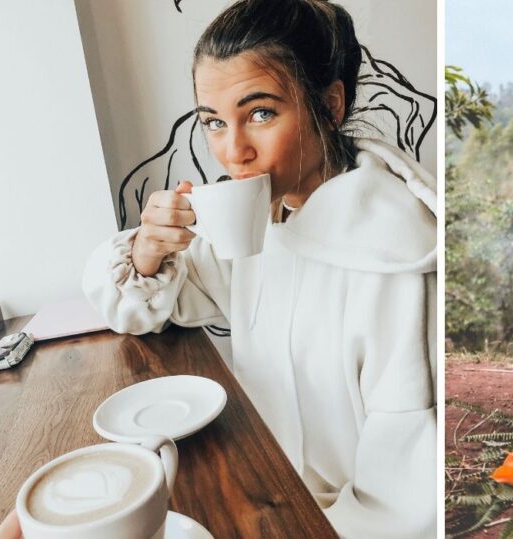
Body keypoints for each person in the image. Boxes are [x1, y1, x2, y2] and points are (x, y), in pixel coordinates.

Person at [72, 1, 433, 537]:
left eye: (260, 113)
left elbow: (405, 496)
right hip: (258, 482)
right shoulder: (270, 215)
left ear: (329, 105)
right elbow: (149, 308)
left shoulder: (394, 256)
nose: (233, 151)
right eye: (214, 122)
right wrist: (147, 251)